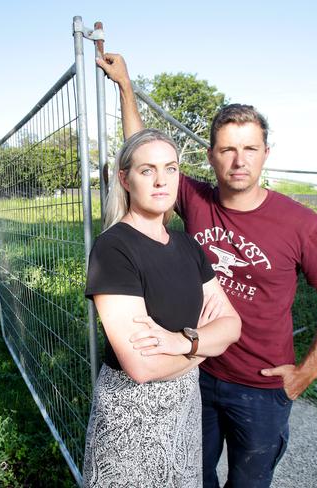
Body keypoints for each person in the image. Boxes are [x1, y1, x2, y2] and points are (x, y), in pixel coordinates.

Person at [97, 53, 317, 488]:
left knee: (249, 482)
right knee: (194, 477)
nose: (239, 160)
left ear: (265, 153)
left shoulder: (302, 224)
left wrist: (307, 371)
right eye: (228, 149)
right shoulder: (195, 200)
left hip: (261, 385)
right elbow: (143, 154)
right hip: (197, 376)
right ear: (211, 156)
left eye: (250, 148)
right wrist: (125, 86)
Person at [83, 128, 241, 487]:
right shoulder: (114, 248)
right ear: (124, 178)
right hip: (131, 421)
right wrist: (206, 345)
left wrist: (182, 342)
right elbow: (141, 366)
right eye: (147, 170)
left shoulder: (188, 245)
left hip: (185, 408)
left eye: (170, 169)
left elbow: (233, 325)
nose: (161, 181)